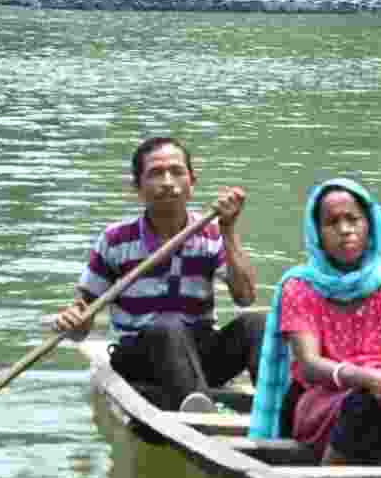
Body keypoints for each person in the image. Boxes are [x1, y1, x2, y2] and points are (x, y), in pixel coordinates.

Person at [247, 177, 381, 467]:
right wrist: (366, 378)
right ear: (317, 232)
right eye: (332, 223)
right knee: (365, 403)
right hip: (324, 397)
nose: (345, 230)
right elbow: (309, 364)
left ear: (370, 225)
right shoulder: (300, 285)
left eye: (353, 219)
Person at [52, 136, 265, 413]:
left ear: (192, 182)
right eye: (155, 173)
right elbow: (81, 326)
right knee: (167, 326)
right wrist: (73, 320)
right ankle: (200, 415)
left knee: (257, 323)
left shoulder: (212, 234)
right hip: (143, 360)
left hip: (199, 357)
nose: (167, 182)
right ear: (137, 187)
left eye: (177, 171)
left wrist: (229, 230)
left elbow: (246, 297)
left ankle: (278, 404)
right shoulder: (116, 240)